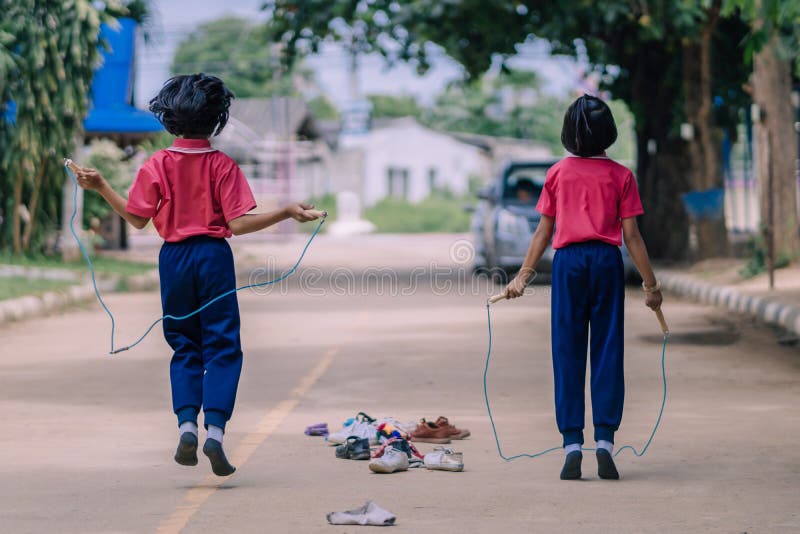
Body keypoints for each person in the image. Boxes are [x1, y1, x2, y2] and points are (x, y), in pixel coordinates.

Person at [74, 73, 321, 476]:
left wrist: (101, 185)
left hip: (173, 259)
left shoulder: (157, 164)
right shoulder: (222, 165)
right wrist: (286, 209)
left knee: (185, 345)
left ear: (169, 119)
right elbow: (239, 225)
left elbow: (136, 219)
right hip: (213, 257)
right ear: (216, 119)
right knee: (223, 347)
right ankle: (215, 434)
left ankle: (186, 425)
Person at [503, 94, 663, 480]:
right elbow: (632, 236)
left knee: (567, 350)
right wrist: (651, 285)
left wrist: (522, 277)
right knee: (607, 348)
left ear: (568, 135)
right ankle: (605, 441)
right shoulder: (621, 175)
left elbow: (544, 231)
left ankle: (572, 444)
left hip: (569, 264)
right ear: (609, 134)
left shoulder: (558, 173)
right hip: (606, 263)